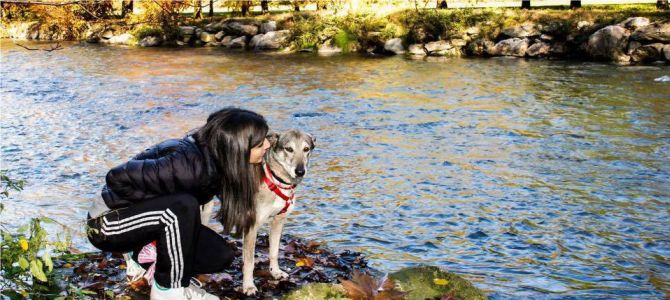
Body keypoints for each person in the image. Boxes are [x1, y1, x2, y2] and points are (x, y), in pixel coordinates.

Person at [86, 107, 271, 299]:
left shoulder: (217, 161)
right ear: (237, 147)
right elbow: (115, 177)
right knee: (182, 205)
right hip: (106, 225)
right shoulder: (187, 165)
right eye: (259, 144)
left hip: (151, 221)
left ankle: (171, 276)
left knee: (219, 255)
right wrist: (147, 209)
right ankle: (167, 290)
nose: (267, 145)